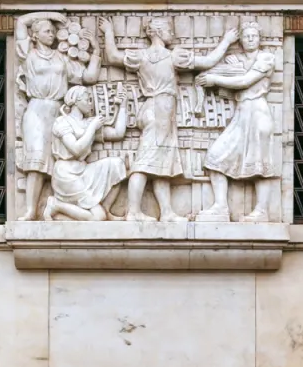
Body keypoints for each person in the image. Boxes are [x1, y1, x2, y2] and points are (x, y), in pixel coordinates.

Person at [100, 17, 238, 222]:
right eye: (168, 29)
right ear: (157, 32)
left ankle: (166, 212)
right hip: (160, 111)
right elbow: (208, 61)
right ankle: (134, 212)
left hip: (155, 111)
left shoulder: (141, 56)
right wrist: (226, 41)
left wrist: (109, 32)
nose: (172, 34)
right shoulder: (172, 57)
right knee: (144, 162)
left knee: (162, 163)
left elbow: (112, 55)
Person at [15, 12, 101, 220]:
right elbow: (20, 22)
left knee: (59, 160)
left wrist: (96, 51)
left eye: (54, 32)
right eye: (47, 31)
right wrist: (51, 15)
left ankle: (59, 205)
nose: (52, 34)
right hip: (36, 110)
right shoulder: (29, 54)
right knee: (35, 161)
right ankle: (30, 210)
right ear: (34, 35)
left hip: (58, 110)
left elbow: (88, 77)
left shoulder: (62, 59)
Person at [195, 22, 277, 223]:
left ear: (259, 38)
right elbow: (234, 82)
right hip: (241, 114)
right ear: (240, 40)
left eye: (254, 36)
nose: (250, 39)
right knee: (215, 156)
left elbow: (245, 81)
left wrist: (215, 79)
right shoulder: (237, 60)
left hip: (258, 114)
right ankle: (221, 207)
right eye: (246, 36)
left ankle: (261, 211)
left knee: (260, 164)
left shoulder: (266, 58)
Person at [44, 86, 129, 222]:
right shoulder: (62, 122)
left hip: (83, 169)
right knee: (98, 218)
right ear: (75, 101)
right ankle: (56, 205)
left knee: (117, 165)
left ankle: (106, 209)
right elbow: (76, 150)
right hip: (66, 174)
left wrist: (123, 106)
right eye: (87, 99)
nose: (91, 103)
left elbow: (117, 133)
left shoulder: (88, 123)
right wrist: (92, 127)